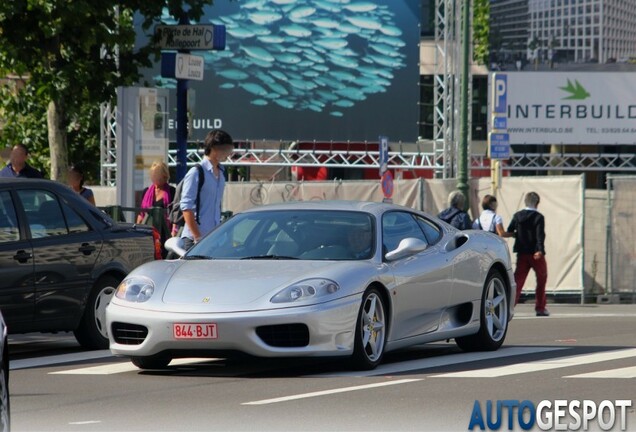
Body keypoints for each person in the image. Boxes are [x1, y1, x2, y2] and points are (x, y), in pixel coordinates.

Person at [181, 129, 234, 250]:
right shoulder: (196, 172)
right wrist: (197, 237)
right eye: (226, 149)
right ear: (215, 148)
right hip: (195, 240)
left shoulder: (221, 173)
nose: (229, 153)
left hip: (213, 239)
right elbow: (186, 208)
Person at [507, 192, 549, 316]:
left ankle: (509, 306)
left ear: (525, 202)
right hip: (535, 253)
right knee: (541, 279)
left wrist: (518, 235)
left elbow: (510, 230)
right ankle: (540, 308)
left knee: (518, 281)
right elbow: (540, 235)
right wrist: (540, 250)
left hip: (522, 253)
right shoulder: (539, 217)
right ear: (537, 203)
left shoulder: (517, 215)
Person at [137, 161, 176, 250]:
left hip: (165, 233)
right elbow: (141, 214)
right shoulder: (146, 191)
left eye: (156, 175)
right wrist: (137, 229)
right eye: (153, 174)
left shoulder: (172, 191)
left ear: (164, 175)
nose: (154, 177)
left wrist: (174, 233)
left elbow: (174, 214)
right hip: (148, 233)